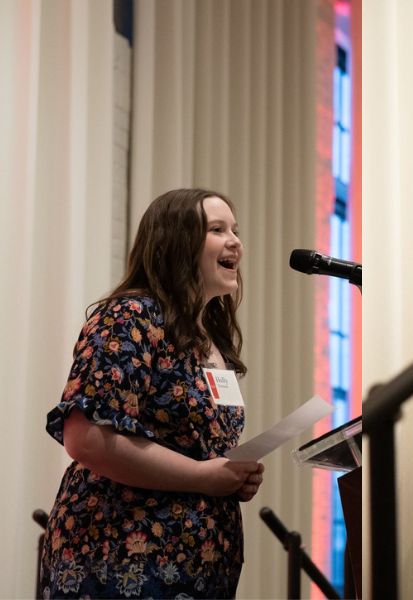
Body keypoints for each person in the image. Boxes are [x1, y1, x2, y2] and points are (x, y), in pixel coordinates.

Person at [40, 189, 265, 598]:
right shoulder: (131, 316)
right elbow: (86, 438)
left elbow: (193, 447)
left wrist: (228, 477)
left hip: (199, 567)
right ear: (176, 243)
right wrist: (201, 477)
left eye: (235, 229)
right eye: (217, 229)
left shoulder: (209, 340)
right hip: (123, 556)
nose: (236, 242)